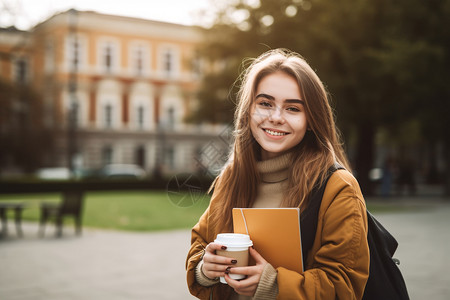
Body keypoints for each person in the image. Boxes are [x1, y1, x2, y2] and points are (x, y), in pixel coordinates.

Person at [186, 49, 369, 300]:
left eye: (293, 108)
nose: (275, 117)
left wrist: (273, 285)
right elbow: (200, 244)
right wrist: (204, 270)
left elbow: (344, 286)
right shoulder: (230, 178)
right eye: (265, 103)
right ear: (248, 110)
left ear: (311, 120)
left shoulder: (338, 188)